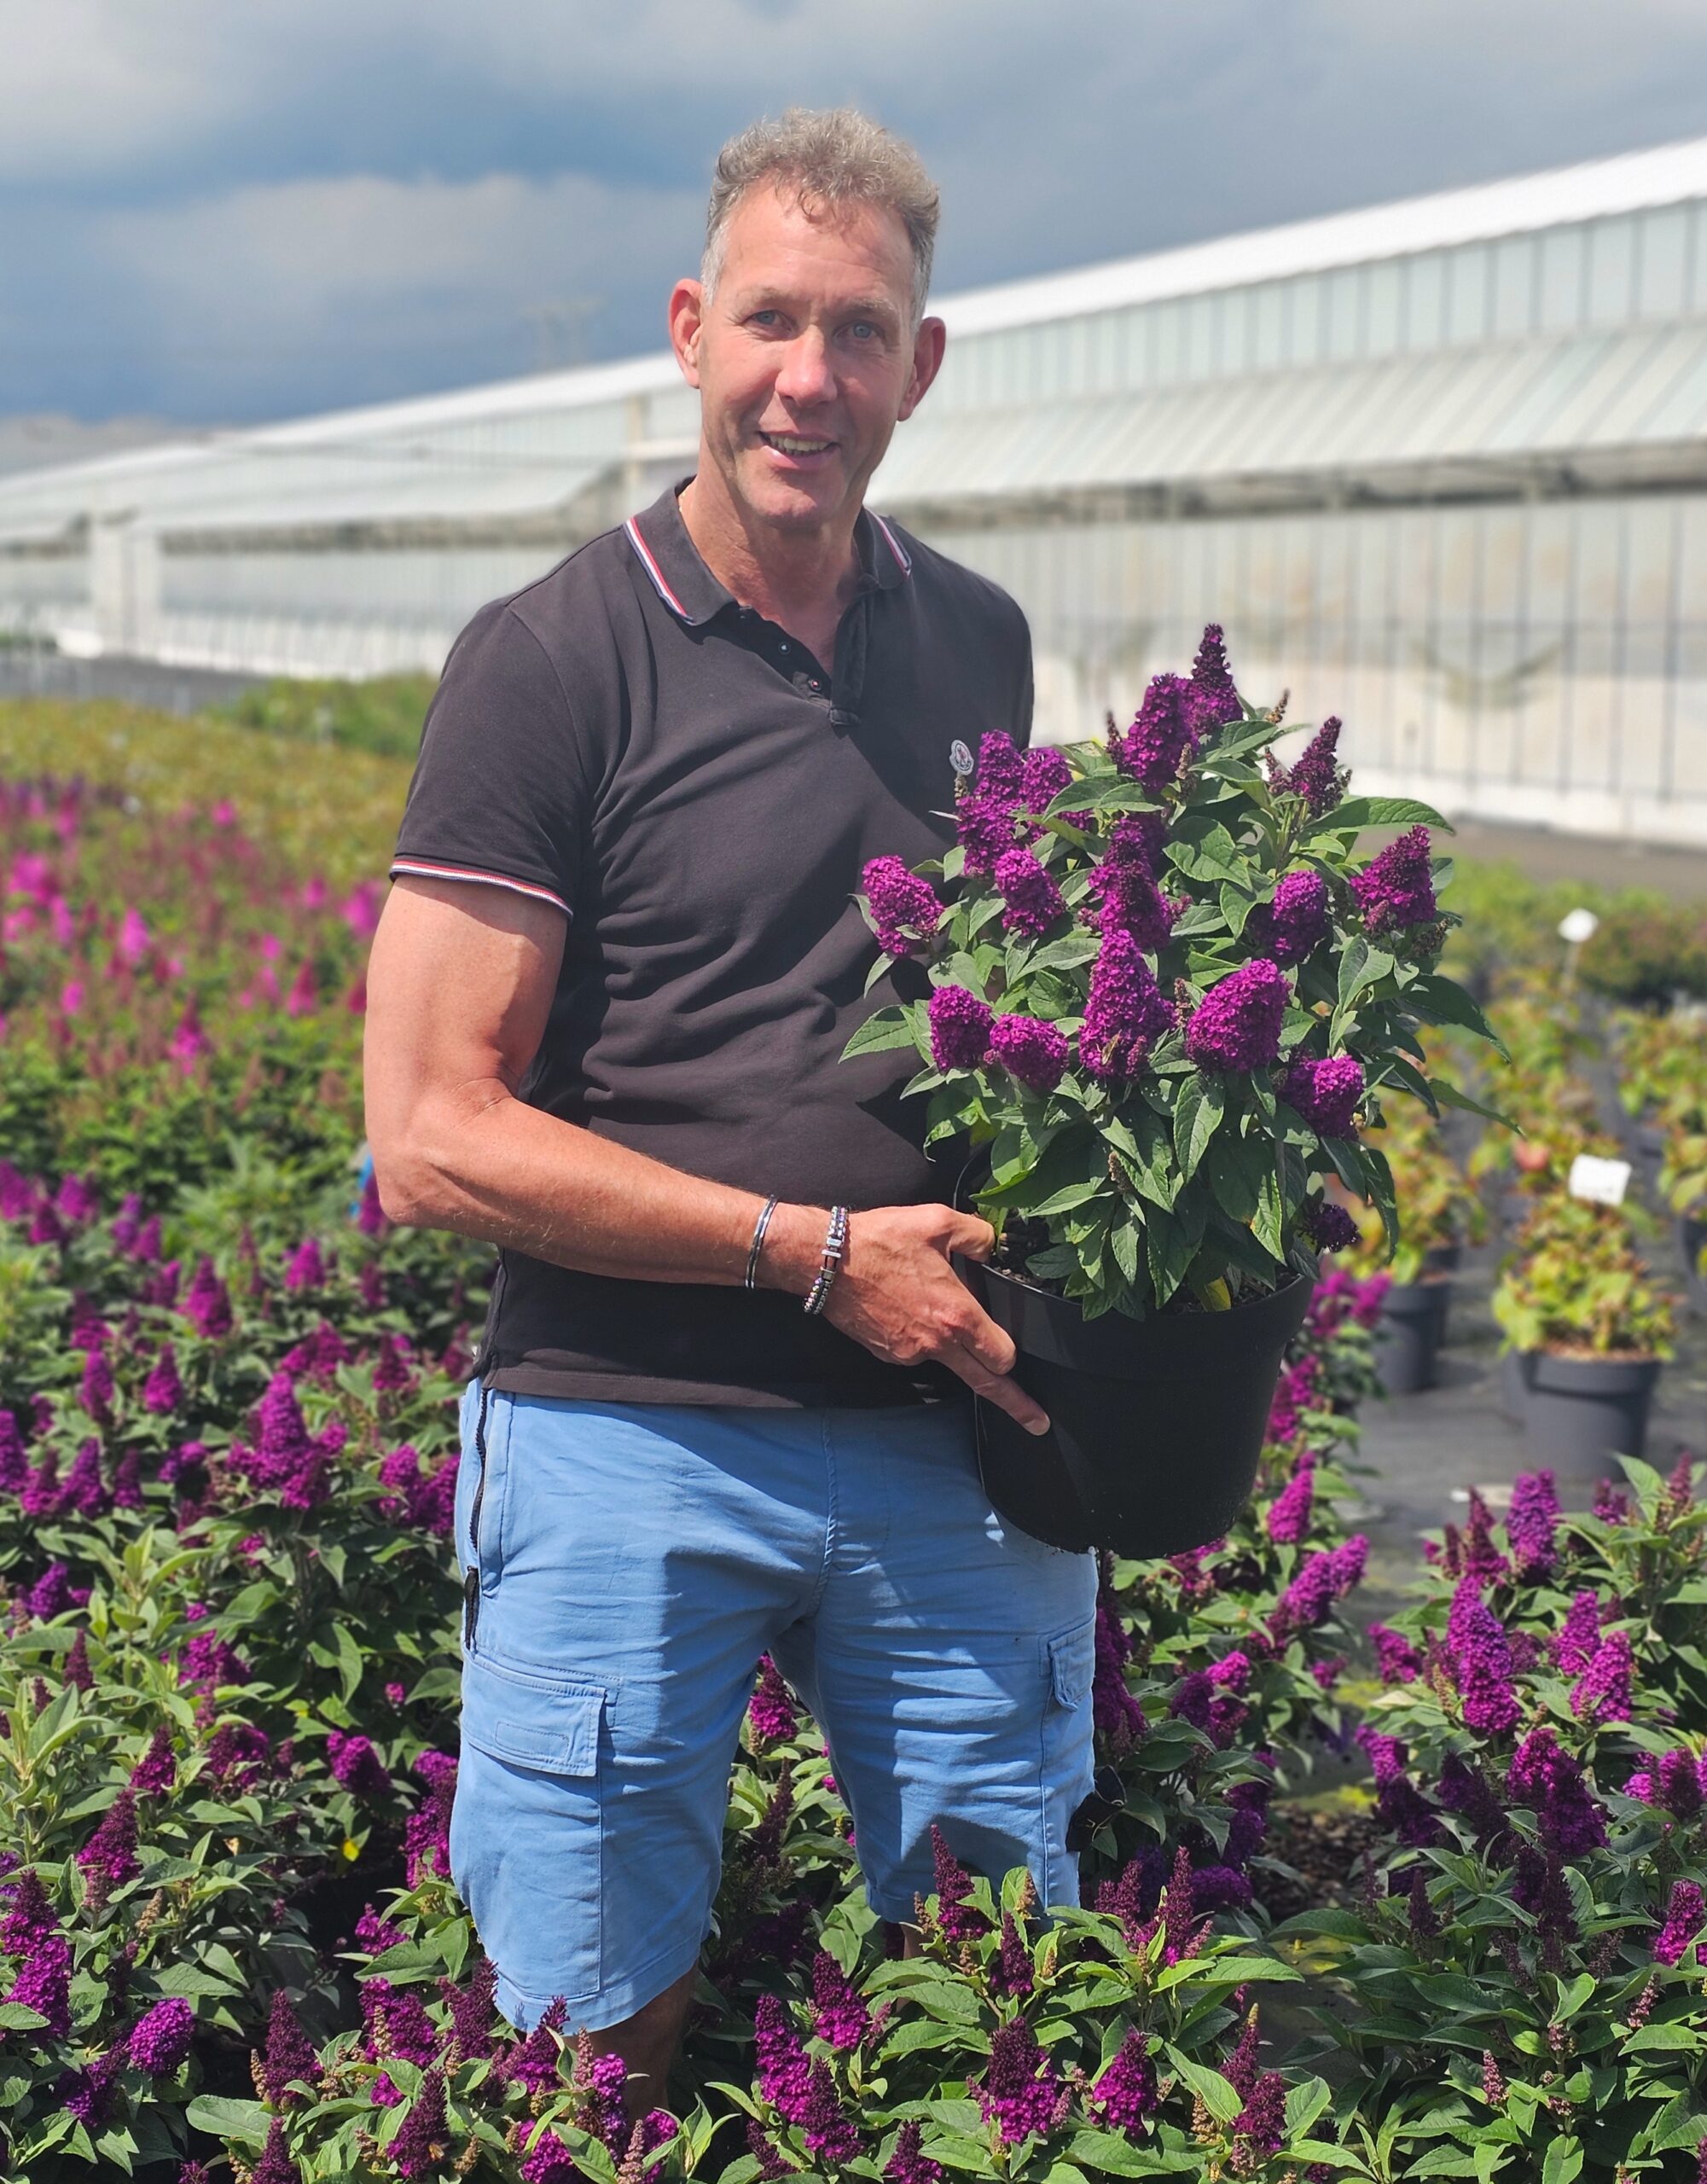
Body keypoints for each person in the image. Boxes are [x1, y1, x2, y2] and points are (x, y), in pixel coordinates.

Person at [363, 105, 1098, 2121]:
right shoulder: (546, 660)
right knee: (591, 2014)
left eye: (860, 333)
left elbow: (999, 1018)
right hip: (622, 1432)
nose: (810, 376)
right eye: (769, 320)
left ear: (919, 368)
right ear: (690, 330)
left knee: (1001, 1996)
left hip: (943, 1432)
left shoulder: (976, 643)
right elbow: (429, 1127)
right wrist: (807, 1253)